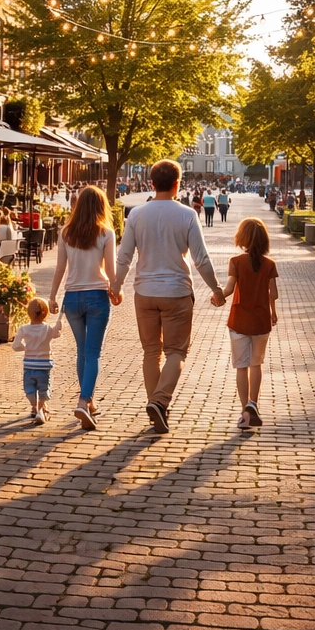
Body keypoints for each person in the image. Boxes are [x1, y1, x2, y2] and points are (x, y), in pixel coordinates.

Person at [112, 159, 225, 434]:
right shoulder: (187, 215)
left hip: (145, 292)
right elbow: (201, 259)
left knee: (151, 352)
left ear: (152, 183)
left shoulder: (136, 215)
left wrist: (116, 286)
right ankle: (160, 403)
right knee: (176, 351)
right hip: (176, 292)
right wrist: (216, 289)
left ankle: (155, 408)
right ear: (177, 184)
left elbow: (124, 257)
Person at [49, 185, 117, 430]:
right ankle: (83, 400)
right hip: (97, 295)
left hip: (72, 298)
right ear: (101, 206)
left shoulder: (66, 232)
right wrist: (115, 289)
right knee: (94, 352)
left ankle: (88, 402)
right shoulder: (106, 233)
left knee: (82, 350)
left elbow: (59, 268)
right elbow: (110, 271)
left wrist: (52, 296)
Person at [221, 218, 278, 430]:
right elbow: (274, 292)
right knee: (256, 363)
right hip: (261, 321)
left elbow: (228, 289)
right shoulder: (270, 264)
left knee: (241, 366)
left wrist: (218, 297)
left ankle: (245, 410)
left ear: (242, 238)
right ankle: (254, 403)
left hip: (239, 320)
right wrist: (273, 312)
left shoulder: (236, 262)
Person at [12, 298, 63, 424]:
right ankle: (41, 408)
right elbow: (56, 334)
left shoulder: (24, 329)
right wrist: (59, 323)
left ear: (28, 313)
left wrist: (25, 348)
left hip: (29, 364)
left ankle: (34, 406)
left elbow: (15, 346)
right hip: (44, 364)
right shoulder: (47, 328)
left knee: (29, 388)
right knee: (44, 388)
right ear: (46, 313)